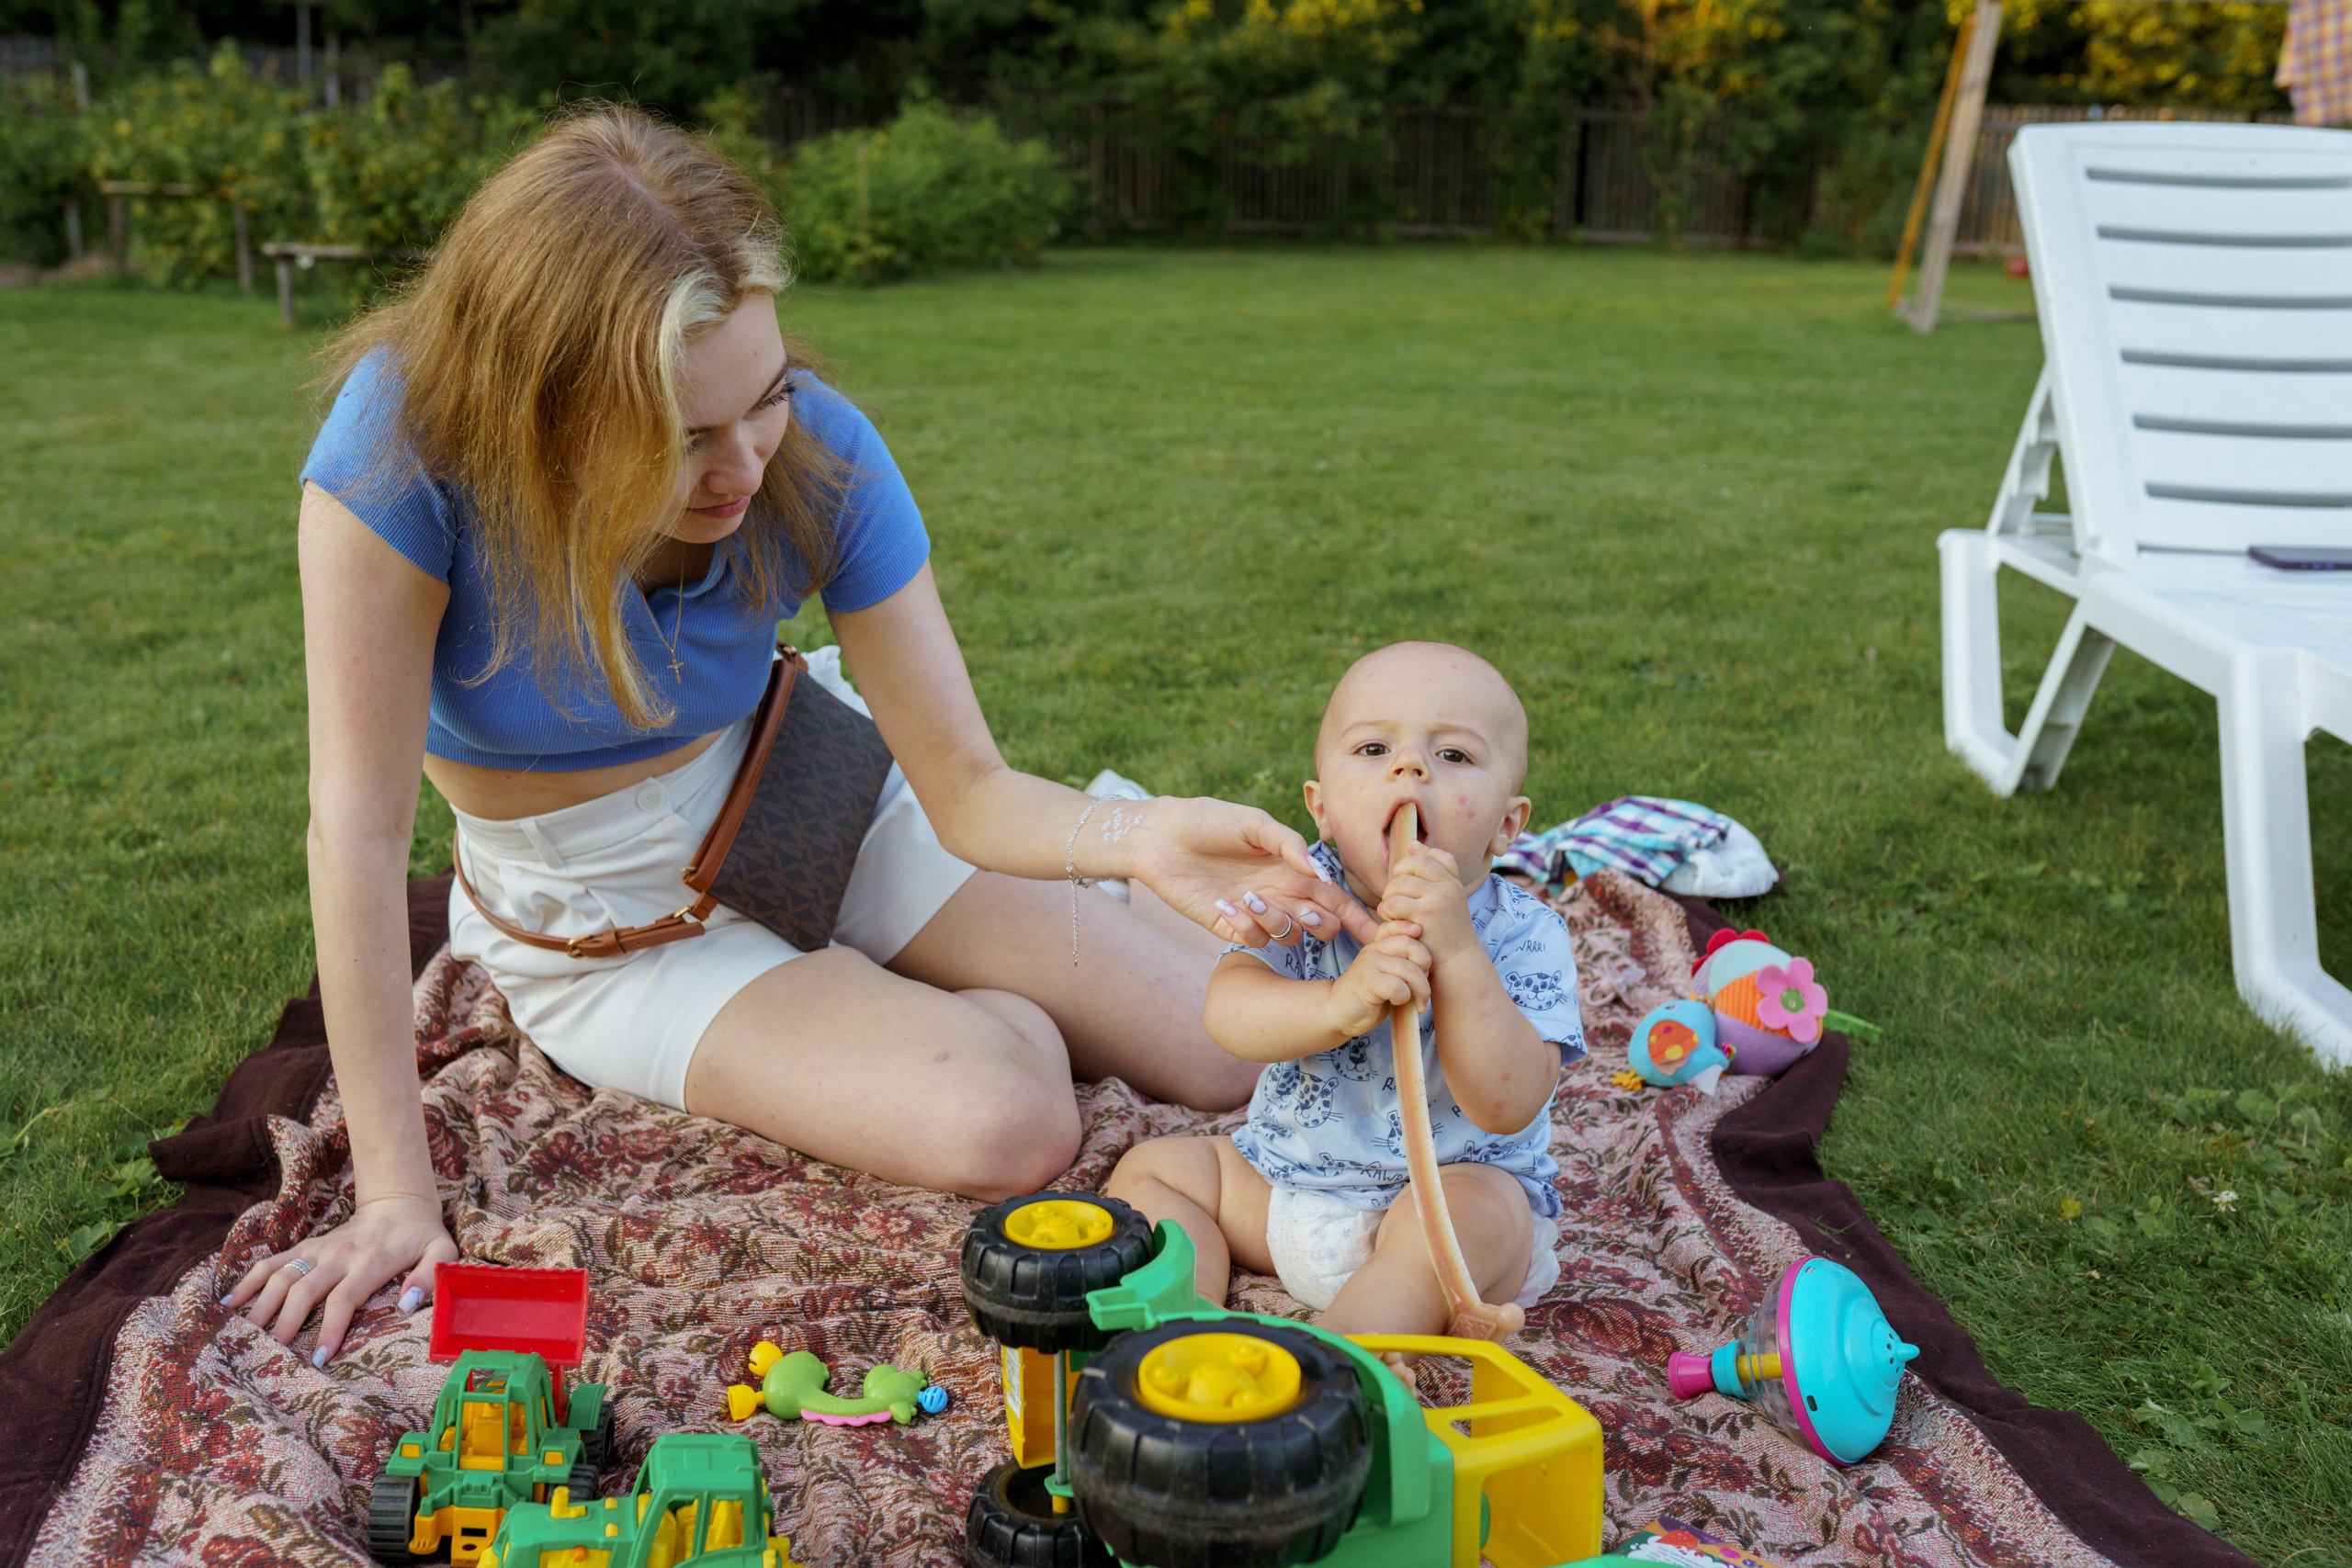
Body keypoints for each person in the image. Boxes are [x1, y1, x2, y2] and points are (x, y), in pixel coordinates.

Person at [222, 107, 1374, 1366]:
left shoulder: (812, 449)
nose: (744, 465)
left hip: (815, 789)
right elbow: (361, 830)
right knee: (1009, 1120)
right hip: (616, 926)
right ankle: (961, 990)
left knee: (1224, 1051)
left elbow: (969, 784)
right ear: (547, 410)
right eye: (683, 432)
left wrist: (1139, 833)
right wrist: (396, 1194)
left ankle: (988, 955)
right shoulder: (404, 456)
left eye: (762, 399)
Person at [1104, 642, 1584, 1340]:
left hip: (1444, 1206)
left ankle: (1345, 1357)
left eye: (1452, 755)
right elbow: (1229, 1010)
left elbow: (1508, 1101)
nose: (1410, 766)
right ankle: (1185, 1324)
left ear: (1506, 826)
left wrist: (1455, 950)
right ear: (1322, 808)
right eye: (1373, 747)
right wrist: (1338, 1002)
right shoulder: (1303, 896)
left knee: (1477, 1213)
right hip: (1285, 1185)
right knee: (1154, 1171)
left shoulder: (1524, 932)